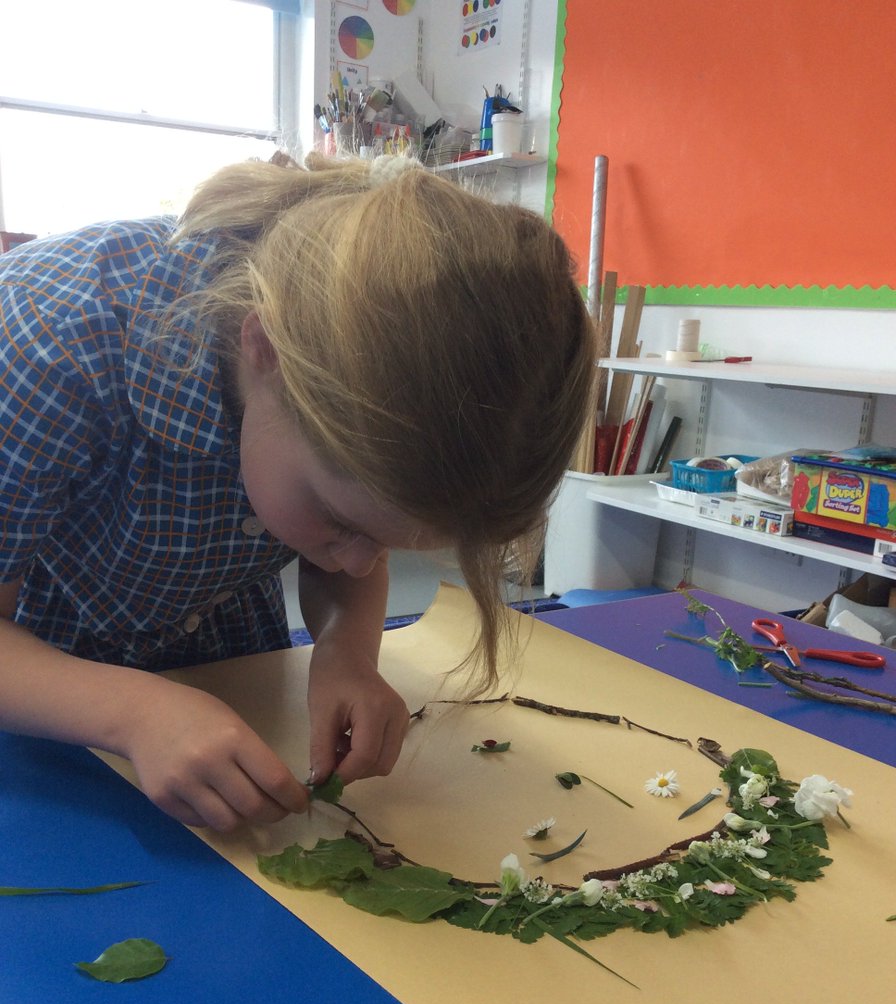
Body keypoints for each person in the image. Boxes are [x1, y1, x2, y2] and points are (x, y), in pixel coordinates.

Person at [0, 152, 596, 833]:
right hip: (36, 690)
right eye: (340, 520)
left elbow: (345, 560)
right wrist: (133, 713)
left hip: (228, 661)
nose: (359, 564)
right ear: (265, 351)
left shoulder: (328, 414)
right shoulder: (47, 342)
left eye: (388, 544)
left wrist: (347, 651)